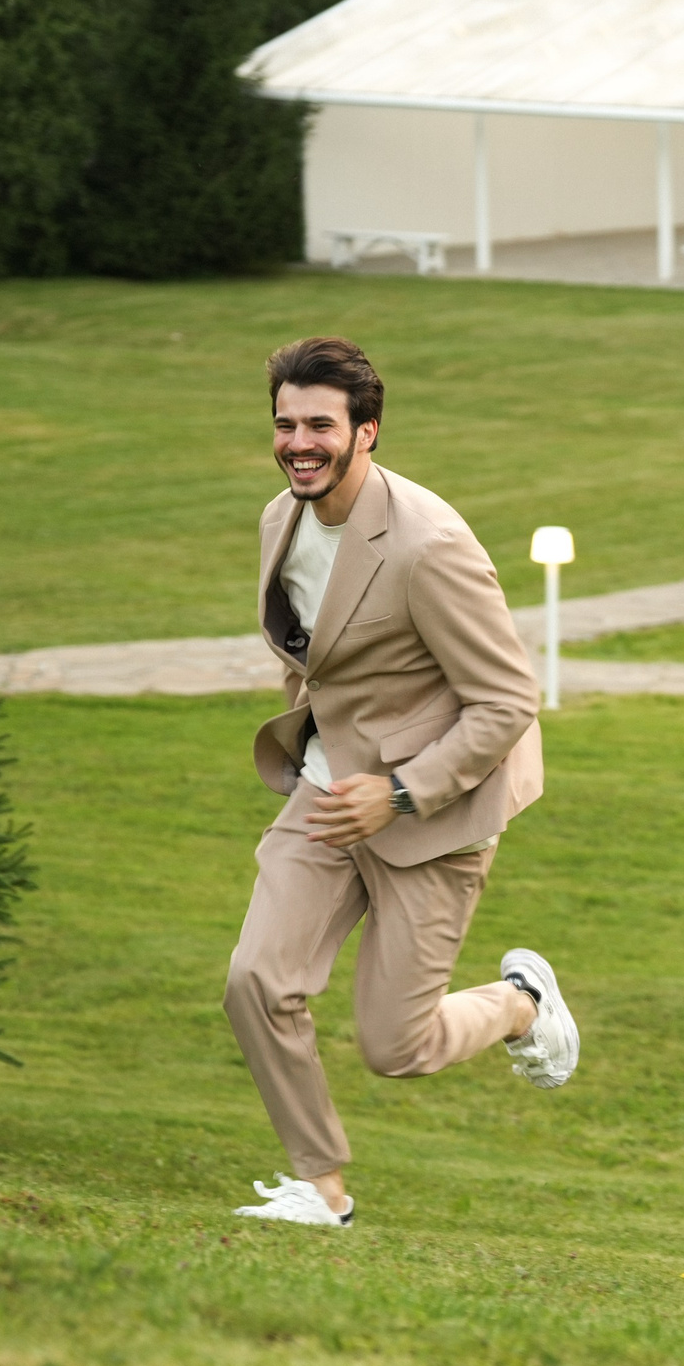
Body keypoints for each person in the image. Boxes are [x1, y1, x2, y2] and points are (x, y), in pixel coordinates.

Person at [224, 336, 580, 1229]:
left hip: (435, 816)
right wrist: (323, 750)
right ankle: (321, 1186)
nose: (298, 443)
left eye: (320, 425)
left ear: (367, 431)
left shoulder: (428, 544)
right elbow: (313, 653)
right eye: (285, 424)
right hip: (327, 793)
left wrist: (402, 790)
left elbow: (508, 699)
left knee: (398, 1045)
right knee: (257, 980)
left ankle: (520, 1005)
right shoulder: (280, 519)